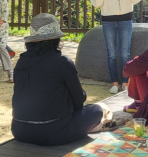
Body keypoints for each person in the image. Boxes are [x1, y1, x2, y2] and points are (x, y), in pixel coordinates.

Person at [11, 13, 106, 146]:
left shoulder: (21, 61)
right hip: (53, 132)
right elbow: (79, 99)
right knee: (96, 110)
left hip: (19, 130)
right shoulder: (62, 62)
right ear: (56, 40)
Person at [90, 0, 143, 94]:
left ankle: (125, 83)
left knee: (125, 53)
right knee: (111, 53)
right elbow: (95, 3)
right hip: (108, 20)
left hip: (126, 19)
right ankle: (114, 83)